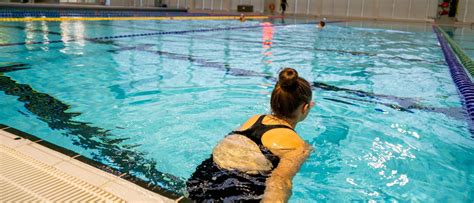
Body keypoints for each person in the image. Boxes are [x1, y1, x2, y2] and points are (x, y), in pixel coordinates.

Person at [186, 68, 314, 202]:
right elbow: (280, 182)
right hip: (237, 189)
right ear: (305, 108)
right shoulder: (298, 146)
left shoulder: (254, 119)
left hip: (204, 176)